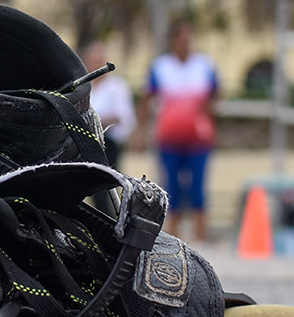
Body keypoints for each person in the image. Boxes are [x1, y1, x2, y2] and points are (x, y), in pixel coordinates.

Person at [134, 22, 219, 241]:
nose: (186, 44)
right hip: (169, 138)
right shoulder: (161, 67)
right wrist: (140, 131)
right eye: (182, 40)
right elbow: (147, 99)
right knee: (170, 185)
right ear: (173, 42)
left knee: (197, 187)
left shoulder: (204, 66)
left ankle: (201, 234)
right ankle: (174, 234)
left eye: (189, 39)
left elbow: (214, 97)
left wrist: (212, 123)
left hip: (198, 139)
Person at [80, 41, 136, 170]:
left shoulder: (117, 86)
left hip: (109, 143)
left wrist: (96, 122)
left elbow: (122, 116)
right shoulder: (82, 87)